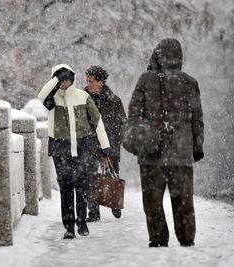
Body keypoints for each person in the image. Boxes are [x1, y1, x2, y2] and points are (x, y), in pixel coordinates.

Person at [127, 38, 204, 247]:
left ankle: (159, 238)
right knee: (184, 201)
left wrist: (142, 136)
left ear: (157, 54)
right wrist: (197, 147)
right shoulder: (189, 82)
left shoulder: (145, 80)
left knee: (152, 201)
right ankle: (187, 238)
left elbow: (133, 113)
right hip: (182, 152)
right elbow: (197, 119)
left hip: (152, 154)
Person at [38, 64, 111, 239]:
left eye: (68, 79)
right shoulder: (52, 99)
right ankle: (69, 226)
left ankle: (82, 220)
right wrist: (57, 78)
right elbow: (41, 96)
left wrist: (105, 145)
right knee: (66, 187)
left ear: (73, 79)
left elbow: (97, 121)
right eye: (61, 80)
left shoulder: (83, 96)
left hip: (83, 146)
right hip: (60, 148)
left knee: (82, 185)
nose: (65, 83)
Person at [84, 65, 127, 222]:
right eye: (87, 80)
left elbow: (122, 125)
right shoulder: (83, 100)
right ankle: (93, 212)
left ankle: (114, 203)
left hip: (110, 146)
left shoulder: (114, 101)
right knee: (90, 177)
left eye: (91, 81)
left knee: (111, 175)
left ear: (100, 82)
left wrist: (111, 147)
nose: (88, 84)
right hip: (88, 145)